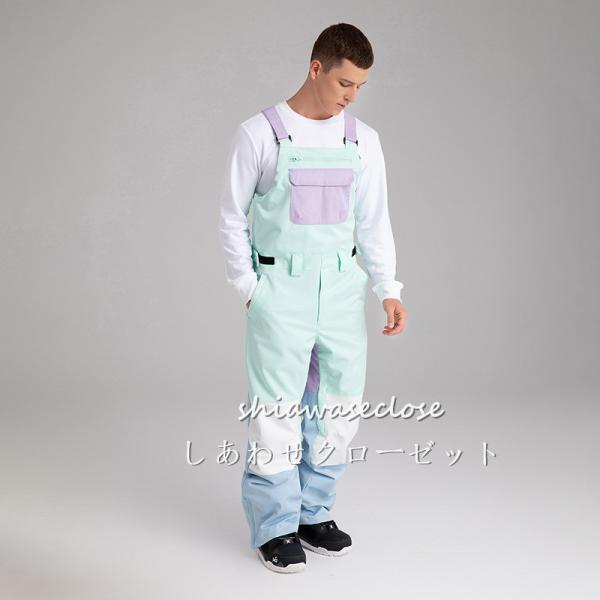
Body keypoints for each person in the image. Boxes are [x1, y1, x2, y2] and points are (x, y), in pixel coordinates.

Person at [218, 23, 407, 573]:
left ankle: (313, 513)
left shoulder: (361, 139)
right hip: (282, 290)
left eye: (360, 87)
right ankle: (275, 526)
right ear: (315, 67)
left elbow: (374, 221)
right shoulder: (261, 134)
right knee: (276, 410)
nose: (351, 96)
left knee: (338, 407)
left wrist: (388, 288)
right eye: (345, 83)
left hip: (342, 290)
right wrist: (249, 288)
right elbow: (231, 218)